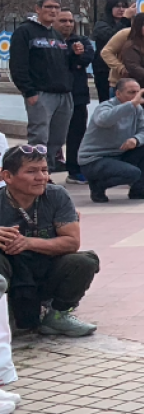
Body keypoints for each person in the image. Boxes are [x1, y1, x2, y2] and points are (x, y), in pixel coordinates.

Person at [0, 144, 100, 338]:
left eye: (44, 170)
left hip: (45, 267)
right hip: (11, 273)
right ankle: (6, 314)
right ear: (7, 177)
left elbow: (72, 242)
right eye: (31, 171)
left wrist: (28, 242)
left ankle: (58, 315)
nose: (41, 177)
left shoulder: (57, 195)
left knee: (85, 261)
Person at [79, 77, 144, 203]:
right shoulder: (105, 106)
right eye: (131, 92)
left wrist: (135, 140)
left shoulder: (137, 109)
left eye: (138, 92)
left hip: (119, 154)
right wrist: (131, 104)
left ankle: (138, 189)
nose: (136, 96)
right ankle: (98, 186)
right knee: (133, 173)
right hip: (95, 160)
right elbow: (103, 120)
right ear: (118, 94)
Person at [14, 0, 76, 171]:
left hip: (63, 94)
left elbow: (63, 64)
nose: (53, 11)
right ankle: (35, 172)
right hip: (41, 94)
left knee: (57, 139)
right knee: (39, 138)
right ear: (38, 9)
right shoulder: (24, 32)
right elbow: (18, 65)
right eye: (49, 7)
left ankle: (46, 170)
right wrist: (28, 91)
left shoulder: (56, 34)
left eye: (56, 7)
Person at [53, 10, 94, 183]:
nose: (68, 24)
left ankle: (75, 168)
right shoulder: (49, 41)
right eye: (63, 20)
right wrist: (71, 55)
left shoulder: (81, 41)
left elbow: (87, 58)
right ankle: (48, 166)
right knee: (52, 134)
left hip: (77, 94)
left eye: (70, 20)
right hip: (53, 93)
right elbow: (55, 62)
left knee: (77, 133)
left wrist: (77, 56)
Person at [91, 0, 130, 103]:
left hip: (121, 72)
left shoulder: (129, 24)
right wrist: (124, 20)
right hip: (104, 69)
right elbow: (111, 36)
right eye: (117, 6)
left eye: (124, 6)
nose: (121, 10)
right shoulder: (101, 24)